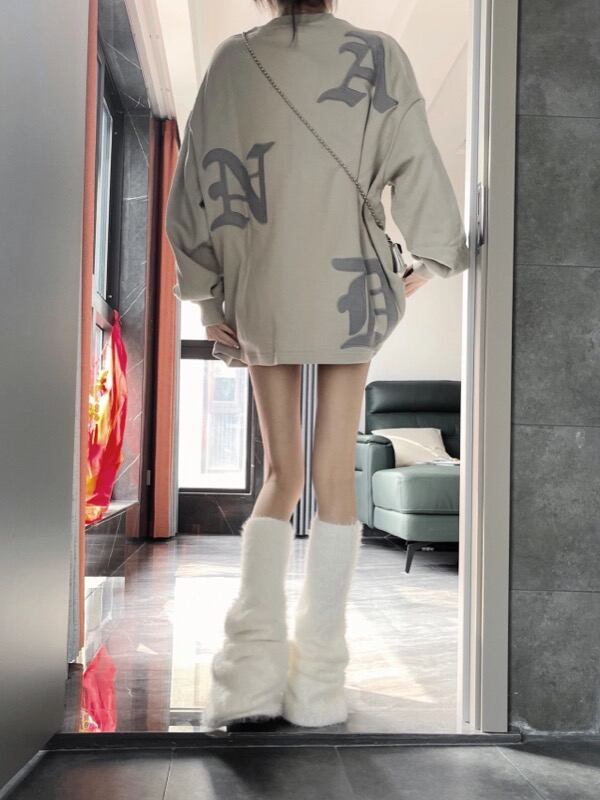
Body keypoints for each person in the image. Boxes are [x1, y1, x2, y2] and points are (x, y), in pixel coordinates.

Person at [166, 0, 469, 731]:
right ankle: (320, 688)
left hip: (262, 288)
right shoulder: (380, 55)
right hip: (350, 290)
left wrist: (206, 299)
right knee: (335, 481)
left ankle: (249, 681)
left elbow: (194, 189)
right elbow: (418, 173)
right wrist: (423, 267)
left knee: (282, 475)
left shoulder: (232, 61)